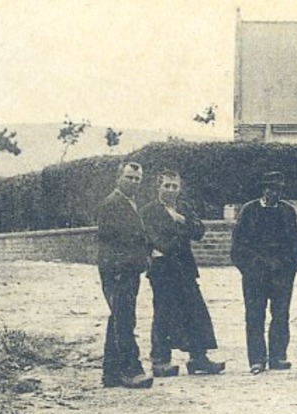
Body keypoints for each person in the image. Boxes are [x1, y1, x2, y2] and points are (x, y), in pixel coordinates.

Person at [141, 171, 225, 377]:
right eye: (167, 186)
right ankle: (160, 361)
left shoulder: (184, 208)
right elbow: (154, 239)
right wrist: (175, 238)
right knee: (164, 313)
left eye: (174, 186)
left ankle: (199, 358)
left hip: (185, 268)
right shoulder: (148, 211)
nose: (171, 190)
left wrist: (181, 221)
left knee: (195, 311)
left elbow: (199, 231)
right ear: (158, 187)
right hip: (162, 270)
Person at [229, 171, 297, 374]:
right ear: (263, 189)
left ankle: (277, 356)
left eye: (278, 189)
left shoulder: (287, 211)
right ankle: (257, 359)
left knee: (281, 315)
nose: (274, 193)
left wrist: (291, 266)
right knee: (254, 316)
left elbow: (296, 242)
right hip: (256, 273)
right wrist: (251, 267)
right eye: (271, 188)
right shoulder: (249, 211)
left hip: (281, 272)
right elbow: (238, 246)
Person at [95, 161, 152, 389]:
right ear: (119, 177)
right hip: (118, 271)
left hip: (128, 270)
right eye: (129, 177)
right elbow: (111, 241)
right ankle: (130, 369)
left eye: (137, 179)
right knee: (124, 320)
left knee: (118, 318)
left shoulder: (130, 203)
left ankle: (111, 373)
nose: (134, 182)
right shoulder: (112, 204)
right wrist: (119, 270)